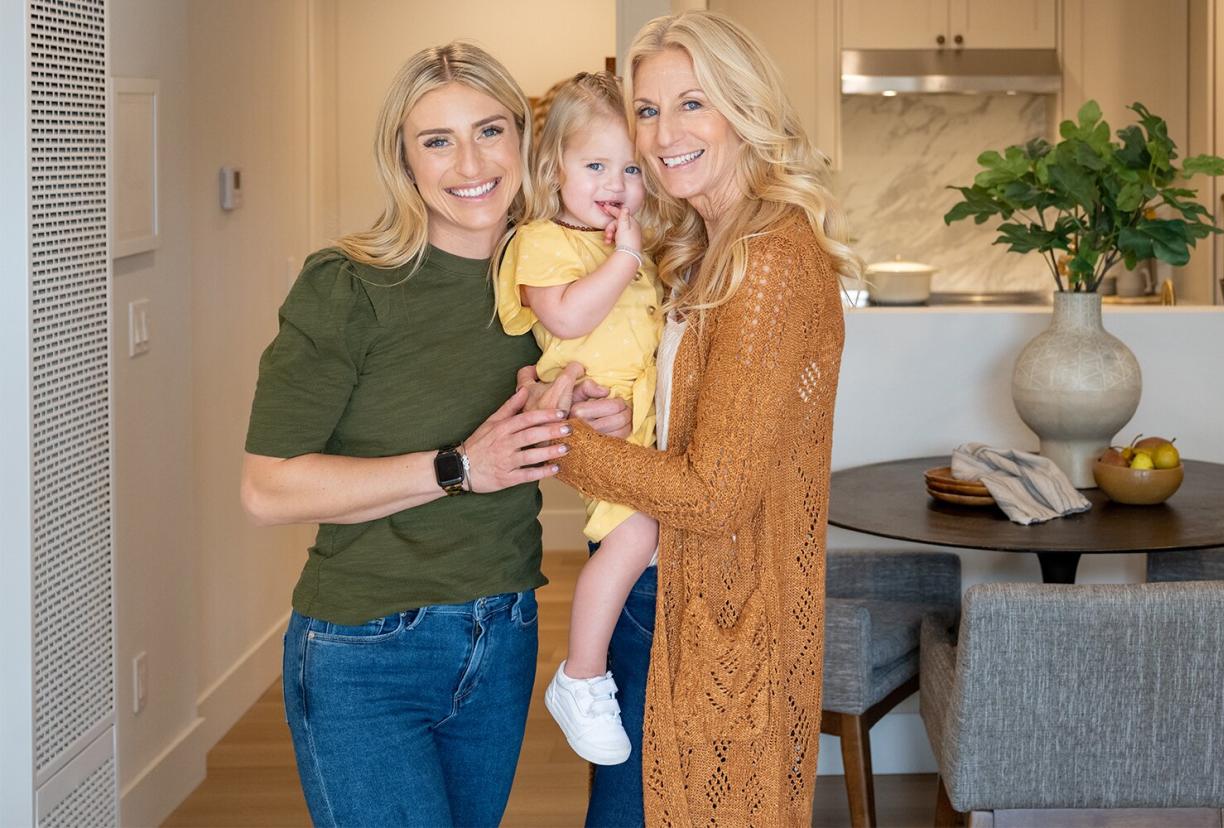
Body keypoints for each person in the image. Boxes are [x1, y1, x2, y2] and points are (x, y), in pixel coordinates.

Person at [239, 42, 628, 827]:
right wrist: (458, 467)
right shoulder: (346, 285)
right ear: (403, 159)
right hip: (367, 648)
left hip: (506, 632)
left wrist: (602, 428)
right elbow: (267, 488)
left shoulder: (557, 282)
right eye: (437, 140)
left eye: (490, 130)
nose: (469, 163)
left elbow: (551, 449)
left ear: (525, 141)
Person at [528, 11, 861, 826]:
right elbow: (702, 433)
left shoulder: (770, 260)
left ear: (743, 108)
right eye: (647, 109)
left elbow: (714, 495)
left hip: (716, 614)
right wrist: (612, 416)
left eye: (693, 103)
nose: (664, 132)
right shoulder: (710, 245)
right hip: (677, 597)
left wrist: (557, 441)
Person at [494, 71, 661, 767]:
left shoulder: (622, 244)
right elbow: (566, 315)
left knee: (650, 539)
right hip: (589, 422)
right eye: (594, 165)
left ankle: (590, 672)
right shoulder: (543, 240)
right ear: (552, 168)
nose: (614, 183)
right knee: (635, 534)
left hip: (641, 418)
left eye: (630, 167)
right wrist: (626, 255)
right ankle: (582, 674)